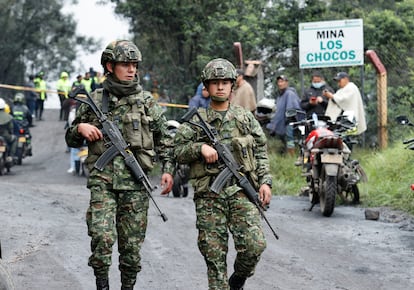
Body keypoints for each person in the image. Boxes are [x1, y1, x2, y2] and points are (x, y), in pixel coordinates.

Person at [65, 40, 174, 290]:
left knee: (131, 249)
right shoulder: (94, 99)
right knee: (102, 240)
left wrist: (168, 169)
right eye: (126, 64)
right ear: (110, 66)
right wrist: (80, 128)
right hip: (102, 181)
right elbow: (70, 137)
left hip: (136, 186)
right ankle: (102, 286)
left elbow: (165, 139)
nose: (132, 70)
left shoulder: (146, 101)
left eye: (134, 65)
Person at [173, 58, 272, 290]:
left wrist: (265, 182)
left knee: (254, 245)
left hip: (241, 192)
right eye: (214, 82)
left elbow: (260, 152)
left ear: (232, 86)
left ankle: (237, 280)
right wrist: (199, 148)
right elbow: (175, 150)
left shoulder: (245, 118)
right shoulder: (197, 121)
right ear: (206, 87)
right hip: (209, 195)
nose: (220, 87)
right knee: (214, 257)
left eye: (225, 82)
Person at [266, 75, 301, 155]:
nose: (280, 84)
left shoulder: (290, 93)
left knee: (290, 139)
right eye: (278, 82)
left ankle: (291, 158)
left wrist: (289, 119)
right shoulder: (280, 96)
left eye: (282, 81)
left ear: (286, 83)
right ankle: (284, 157)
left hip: (289, 122)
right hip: (281, 124)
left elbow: (293, 108)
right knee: (282, 141)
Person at [0, 98, 17, 162]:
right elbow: (11, 128)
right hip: (5, 136)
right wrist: (11, 133)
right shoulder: (8, 116)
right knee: (14, 139)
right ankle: (10, 156)